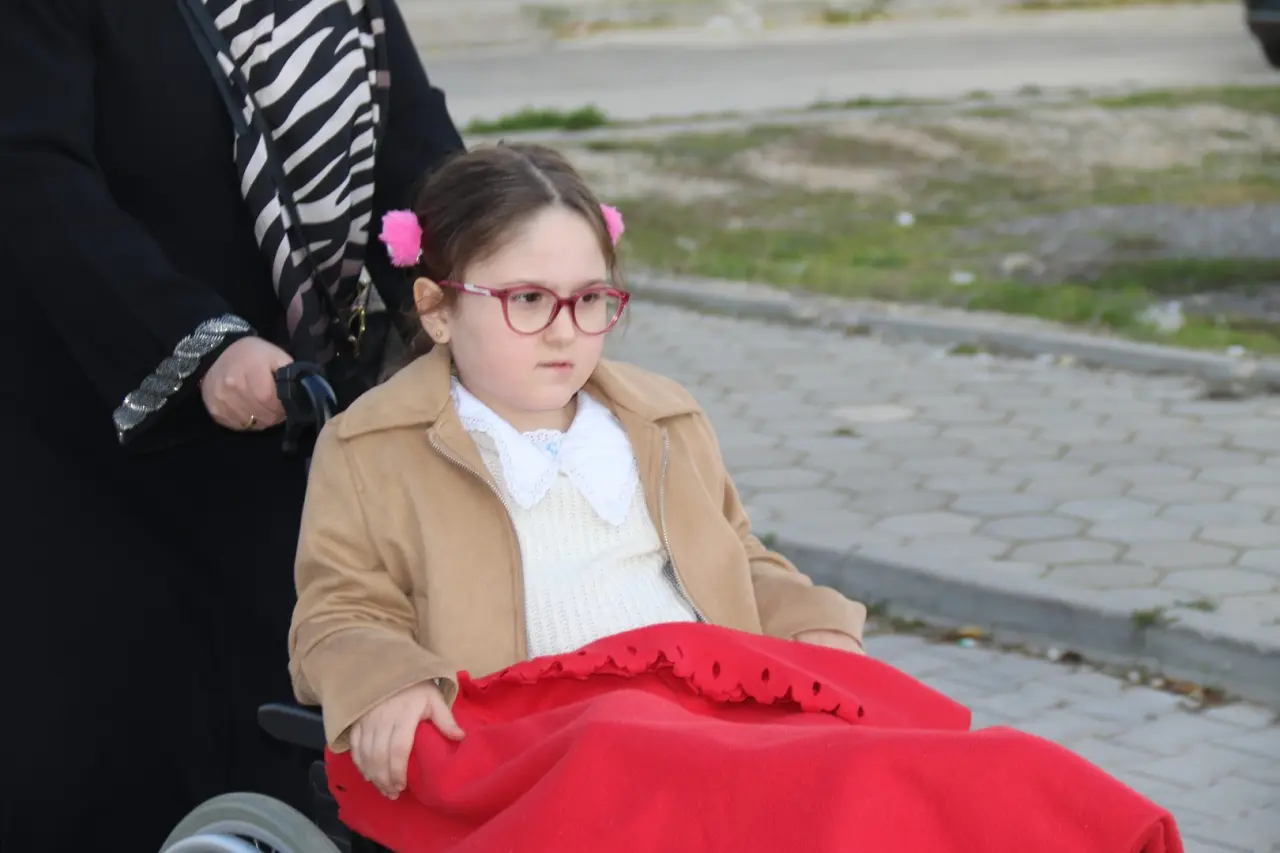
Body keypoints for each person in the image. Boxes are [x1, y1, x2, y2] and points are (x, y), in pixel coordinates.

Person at [0, 0, 465, 849]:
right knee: (113, 749)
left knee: (280, 735)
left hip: (291, 416)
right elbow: (34, 173)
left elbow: (413, 155)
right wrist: (195, 341)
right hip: (97, 431)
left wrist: (487, 291)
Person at [287, 142, 870, 799]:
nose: (564, 331)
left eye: (589, 298)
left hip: (711, 713)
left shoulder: (663, 419)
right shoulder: (373, 449)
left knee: (904, 772)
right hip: (537, 752)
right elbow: (340, 610)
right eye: (528, 298)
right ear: (437, 309)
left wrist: (808, 618)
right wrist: (387, 679)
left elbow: (737, 555)